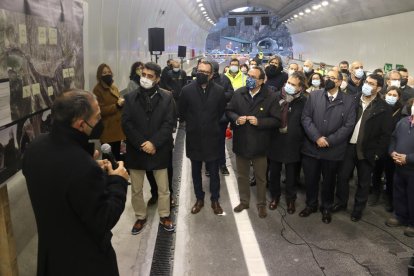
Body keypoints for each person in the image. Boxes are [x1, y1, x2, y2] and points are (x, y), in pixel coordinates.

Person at [22, 90, 129, 276]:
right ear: (81, 124)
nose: (100, 122)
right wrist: (118, 180)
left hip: (52, 259)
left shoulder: (34, 148)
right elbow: (104, 219)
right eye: (97, 117)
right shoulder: (82, 166)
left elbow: (59, 178)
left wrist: (88, 160)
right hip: (86, 263)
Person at [122, 62, 175, 234]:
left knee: (163, 188)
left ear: (158, 79)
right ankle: (140, 216)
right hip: (136, 151)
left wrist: (154, 143)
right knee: (136, 189)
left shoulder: (167, 98)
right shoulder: (130, 98)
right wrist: (141, 143)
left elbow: (169, 124)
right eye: (143, 74)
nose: (145, 78)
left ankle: (165, 215)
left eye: (150, 76)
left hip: (158, 150)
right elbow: (127, 124)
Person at [300, 70, 356, 224]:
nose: (328, 80)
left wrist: (329, 141)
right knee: (311, 179)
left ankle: (326, 207)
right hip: (312, 147)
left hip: (333, 150)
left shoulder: (349, 101)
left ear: (339, 82)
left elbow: (348, 126)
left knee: (329, 181)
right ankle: (311, 205)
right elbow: (306, 118)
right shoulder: (314, 95)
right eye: (327, 77)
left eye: (332, 78)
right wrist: (316, 137)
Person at [334, 74, 392, 222]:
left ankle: (358, 209)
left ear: (378, 88)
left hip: (368, 151)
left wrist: (378, 154)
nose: (367, 85)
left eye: (371, 83)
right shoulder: (353, 99)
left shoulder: (383, 108)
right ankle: (341, 202)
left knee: (363, 182)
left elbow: (386, 134)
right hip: (348, 147)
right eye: (366, 82)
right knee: (342, 177)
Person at [226, 66, 280, 218]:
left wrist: (260, 122)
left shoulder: (270, 96)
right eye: (248, 75)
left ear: (262, 81)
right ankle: (244, 201)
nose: (249, 78)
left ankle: (261, 204)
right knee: (242, 175)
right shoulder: (239, 93)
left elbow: (276, 120)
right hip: (241, 142)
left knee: (261, 177)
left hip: (260, 144)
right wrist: (236, 119)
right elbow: (229, 110)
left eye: (253, 77)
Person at [179, 61, 226, 215]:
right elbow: (182, 112)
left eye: (205, 72)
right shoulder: (186, 90)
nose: (202, 74)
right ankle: (199, 198)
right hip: (194, 138)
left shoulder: (219, 91)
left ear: (211, 75)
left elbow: (220, 112)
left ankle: (215, 199)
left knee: (214, 172)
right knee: (195, 171)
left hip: (212, 138)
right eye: (199, 71)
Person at [268, 71, 307, 214]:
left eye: (293, 84)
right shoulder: (275, 97)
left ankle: (291, 200)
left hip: (293, 144)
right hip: (275, 141)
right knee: (274, 173)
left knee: (291, 176)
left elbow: (305, 122)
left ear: (300, 88)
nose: (288, 86)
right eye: (288, 83)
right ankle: (275, 197)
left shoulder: (303, 102)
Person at [370, 86, 404, 211]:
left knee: (390, 174)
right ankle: (375, 193)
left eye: (395, 95)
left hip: (393, 146)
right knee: (376, 171)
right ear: (385, 94)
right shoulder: (380, 106)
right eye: (389, 94)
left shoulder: (402, 110)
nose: (391, 96)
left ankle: (389, 197)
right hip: (379, 145)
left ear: (399, 97)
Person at [385, 98, 414, 237]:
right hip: (399, 166)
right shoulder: (403, 122)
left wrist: (407, 158)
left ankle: (412, 224)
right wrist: (393, 152)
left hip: (412, 168)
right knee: (399, 192)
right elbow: (393, 139)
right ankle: (400, 216)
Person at [93, 63, 125, 161]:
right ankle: (109, 175)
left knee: (117, 155)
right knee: (109, 157)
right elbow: (100, 110)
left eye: (108, 72)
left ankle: (117, 174)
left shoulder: (114, 87)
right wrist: (116, 105)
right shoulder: (97, 90)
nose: (107, 74)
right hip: (107, 129)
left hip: (117, 128)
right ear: (99, 75)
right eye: (104, 73)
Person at [211, 61, 234, 175]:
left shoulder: (224, 79)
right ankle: (209, 166)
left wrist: (219, 96)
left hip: (221, 117)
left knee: (220, 142)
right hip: (207, 118)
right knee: (207, 142)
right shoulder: (203, 80)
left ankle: (222, 164)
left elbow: (231, 93)